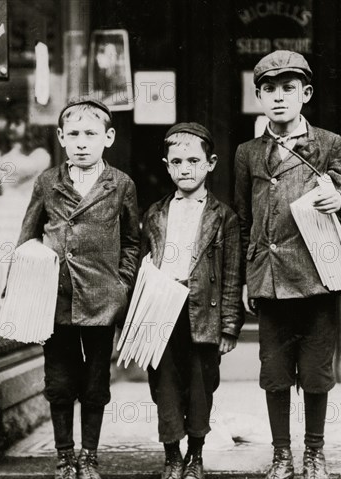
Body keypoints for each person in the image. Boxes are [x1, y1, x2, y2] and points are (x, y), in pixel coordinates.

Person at [233, 51, 341, 479]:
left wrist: (340, 200)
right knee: (274, 373)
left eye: (288, 89)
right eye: (269, 89)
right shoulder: (247, 153)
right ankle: (280, 455)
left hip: (318, 277)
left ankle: (314, 453)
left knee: (315, 371)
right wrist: (243, 279)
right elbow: (242, 218)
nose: (278, 97)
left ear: (305, 94)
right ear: (257, 95)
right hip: (269, 280)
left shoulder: (328, 144)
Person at [15, 98, 140, 479]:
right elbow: (28, 237)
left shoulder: (121, 185)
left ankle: (89, 455)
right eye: (74, 134)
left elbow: (133, 242)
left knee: (95, 382)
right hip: (56, 299)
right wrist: (25, 287)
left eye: (91, 134)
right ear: (61, 138)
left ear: (109, 137)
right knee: (59, 381)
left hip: (101, 299)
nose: (82, 142)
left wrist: (122, 285)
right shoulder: (48, 182)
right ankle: (65, 456)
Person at [141, 123, 244, 479]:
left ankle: (196, 455)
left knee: (202, 383)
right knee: (164, 382)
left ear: (211, 163)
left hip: (203, 310)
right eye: (177, 161)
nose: (186, 168)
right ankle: (172, 455)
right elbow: (142, 265)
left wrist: (230, 326)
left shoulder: (224, 216)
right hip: (161, 308)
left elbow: (232, 275)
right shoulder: (154, 213)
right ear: (167, 166)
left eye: (194, 161)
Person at [0, 102, 51, 320]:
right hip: (3, 216)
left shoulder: (40, 154)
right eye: (9, 123)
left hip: (23, 215)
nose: (11, 128)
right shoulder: (7, 154)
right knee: (0, 263)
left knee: (21, 263)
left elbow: (23, 170)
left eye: (17, 123)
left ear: (28, 126)